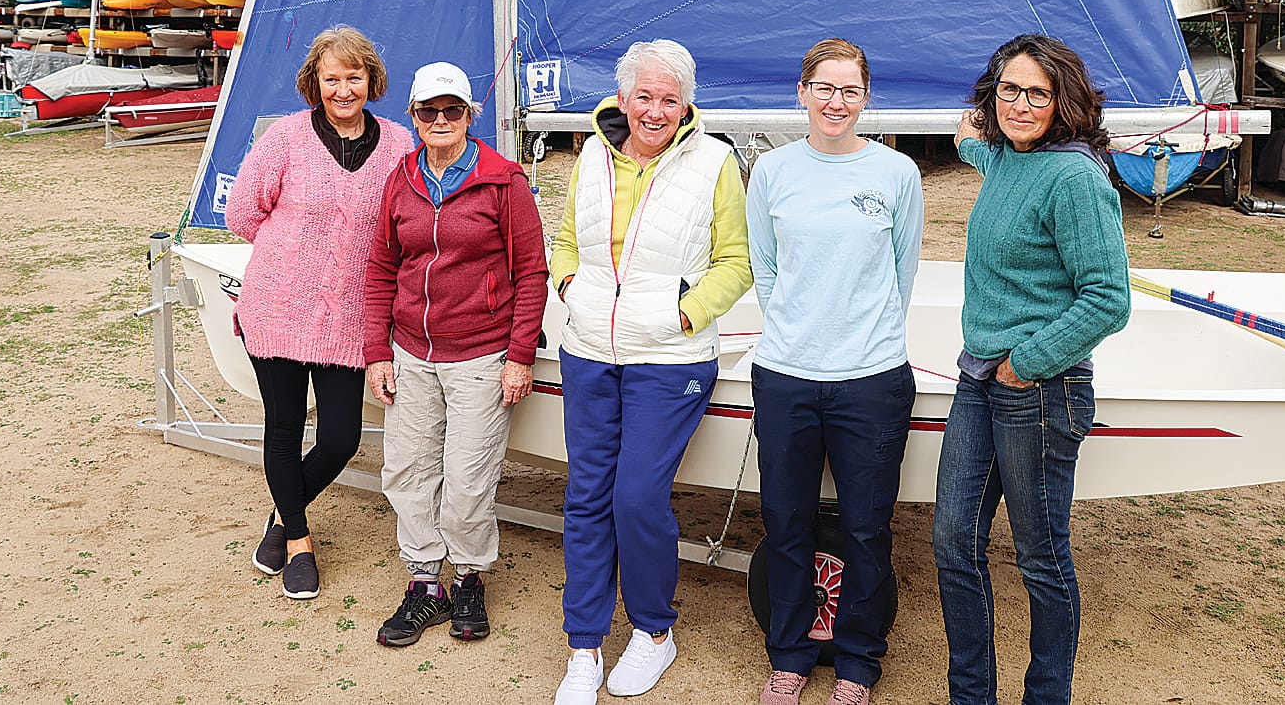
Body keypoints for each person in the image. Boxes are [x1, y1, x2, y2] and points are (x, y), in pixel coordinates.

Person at [548, 39, 753, 705]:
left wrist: (685, 316)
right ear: (624, 96)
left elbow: (736, 261)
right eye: (644, 96)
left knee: (634, 498)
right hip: (587, 349)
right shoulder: (591, 153)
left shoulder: (716, 160)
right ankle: (582, 648)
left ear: (687, 102)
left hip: (668, 358)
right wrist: (569, 285)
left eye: (669, 99)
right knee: (584, 498)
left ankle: (653, 634)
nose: (655, 111)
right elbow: (567, 239)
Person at [934, 33, 1132, 705]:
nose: (1019, 104)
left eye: (1036, 93)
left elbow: (1107, 298)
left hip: (1039, 389)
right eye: (1007, 89)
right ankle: (972, 697)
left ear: (1062, 101)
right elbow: (995, 160)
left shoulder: (1075, 178)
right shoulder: (1011, 159)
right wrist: (968, 140)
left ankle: (1046, 697)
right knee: (952, 544)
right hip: (977, 379)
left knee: (1040, 562)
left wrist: (1026, 364)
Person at [747, 38, 924, 705]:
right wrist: (798, 327)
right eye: (824, 87)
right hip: (786, 372)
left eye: (849, 90)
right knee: (786, 521)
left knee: (864, 528)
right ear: (801, 92)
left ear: (865, 98)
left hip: (871, 376)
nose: (835, 101)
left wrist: (858, 336)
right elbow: (765, 267)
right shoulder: (772, 171)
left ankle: (855, 664)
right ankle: (789, 656)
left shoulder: (895, 173)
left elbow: (900, 271)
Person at [223, 26, 414, 601]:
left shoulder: (401, 144)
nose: (343, 89)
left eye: (354, 77)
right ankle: (300, 541)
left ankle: (281, 515)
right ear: (315, 82)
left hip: (351, 319)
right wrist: (295, 257)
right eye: (331, 78)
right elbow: (242, 214)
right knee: (282, 430)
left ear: (371, 80)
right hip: (278, 307)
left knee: (339, 439)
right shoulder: (284, 138)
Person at [362, 62, 549, 649]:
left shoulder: (503, 182)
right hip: (410, 351)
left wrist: (519, 354)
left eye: (453, 111)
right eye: (427, 112)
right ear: (413, 117)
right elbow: (380, 268)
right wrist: (377, 352)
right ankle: (425, 584)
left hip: (481, 355)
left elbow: (531, 272)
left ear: (471, 115)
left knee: (468, 481)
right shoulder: (401, 177)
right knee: (408, 471)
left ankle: (467, 576)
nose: (440, 121)